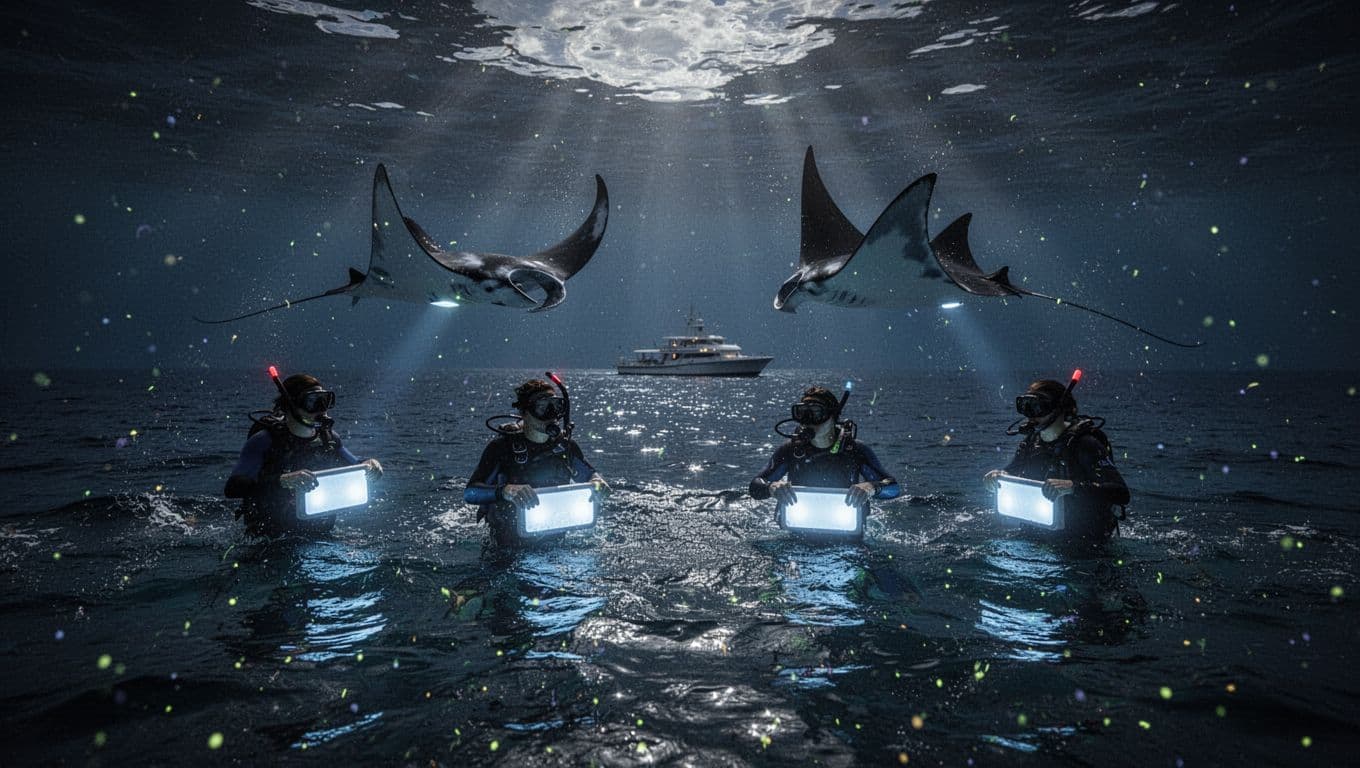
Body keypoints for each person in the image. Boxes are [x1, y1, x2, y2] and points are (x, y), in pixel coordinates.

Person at [225, 371, 383, 537]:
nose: (321, 409)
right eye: (312, 401)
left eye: (325, 400)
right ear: (290, 405)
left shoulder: (328, 439)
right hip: (269, 535)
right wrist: (282, 481)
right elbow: (233, 488)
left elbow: (357, 465)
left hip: (318, 531)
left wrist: (371, 465)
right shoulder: (264, 440)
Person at [464, 378, 609, 546]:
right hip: (507, 545)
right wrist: (505, 491)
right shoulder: (501, 448)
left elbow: (590, 475)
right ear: (524, 413)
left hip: (553, 537)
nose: (550, 414)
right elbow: (470, 493)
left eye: (555, 406)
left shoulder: (566, 446)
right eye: (542, 407)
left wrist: (598, 482)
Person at [983, 377, 1129, 541]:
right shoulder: (1031, 443)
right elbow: (1012, 471)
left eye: (1037, 407)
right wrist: (998, 476)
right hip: (1038, 533)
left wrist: (1073, 487)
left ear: (1058, 409)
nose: (1031, 415)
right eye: (1026, 407)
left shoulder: (1085, 444)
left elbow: (1120, 492)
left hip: (1083, 542)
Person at [749, 385, 900, 529]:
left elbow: (893, 488)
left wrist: (871, 487)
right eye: (802, 413)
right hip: (797, 528)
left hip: (845, 531)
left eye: (816, 413)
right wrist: (771, 488)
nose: (808, 420)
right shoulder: (791, 450)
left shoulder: (855, 450)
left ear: (832, 416)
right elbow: (755, 486)